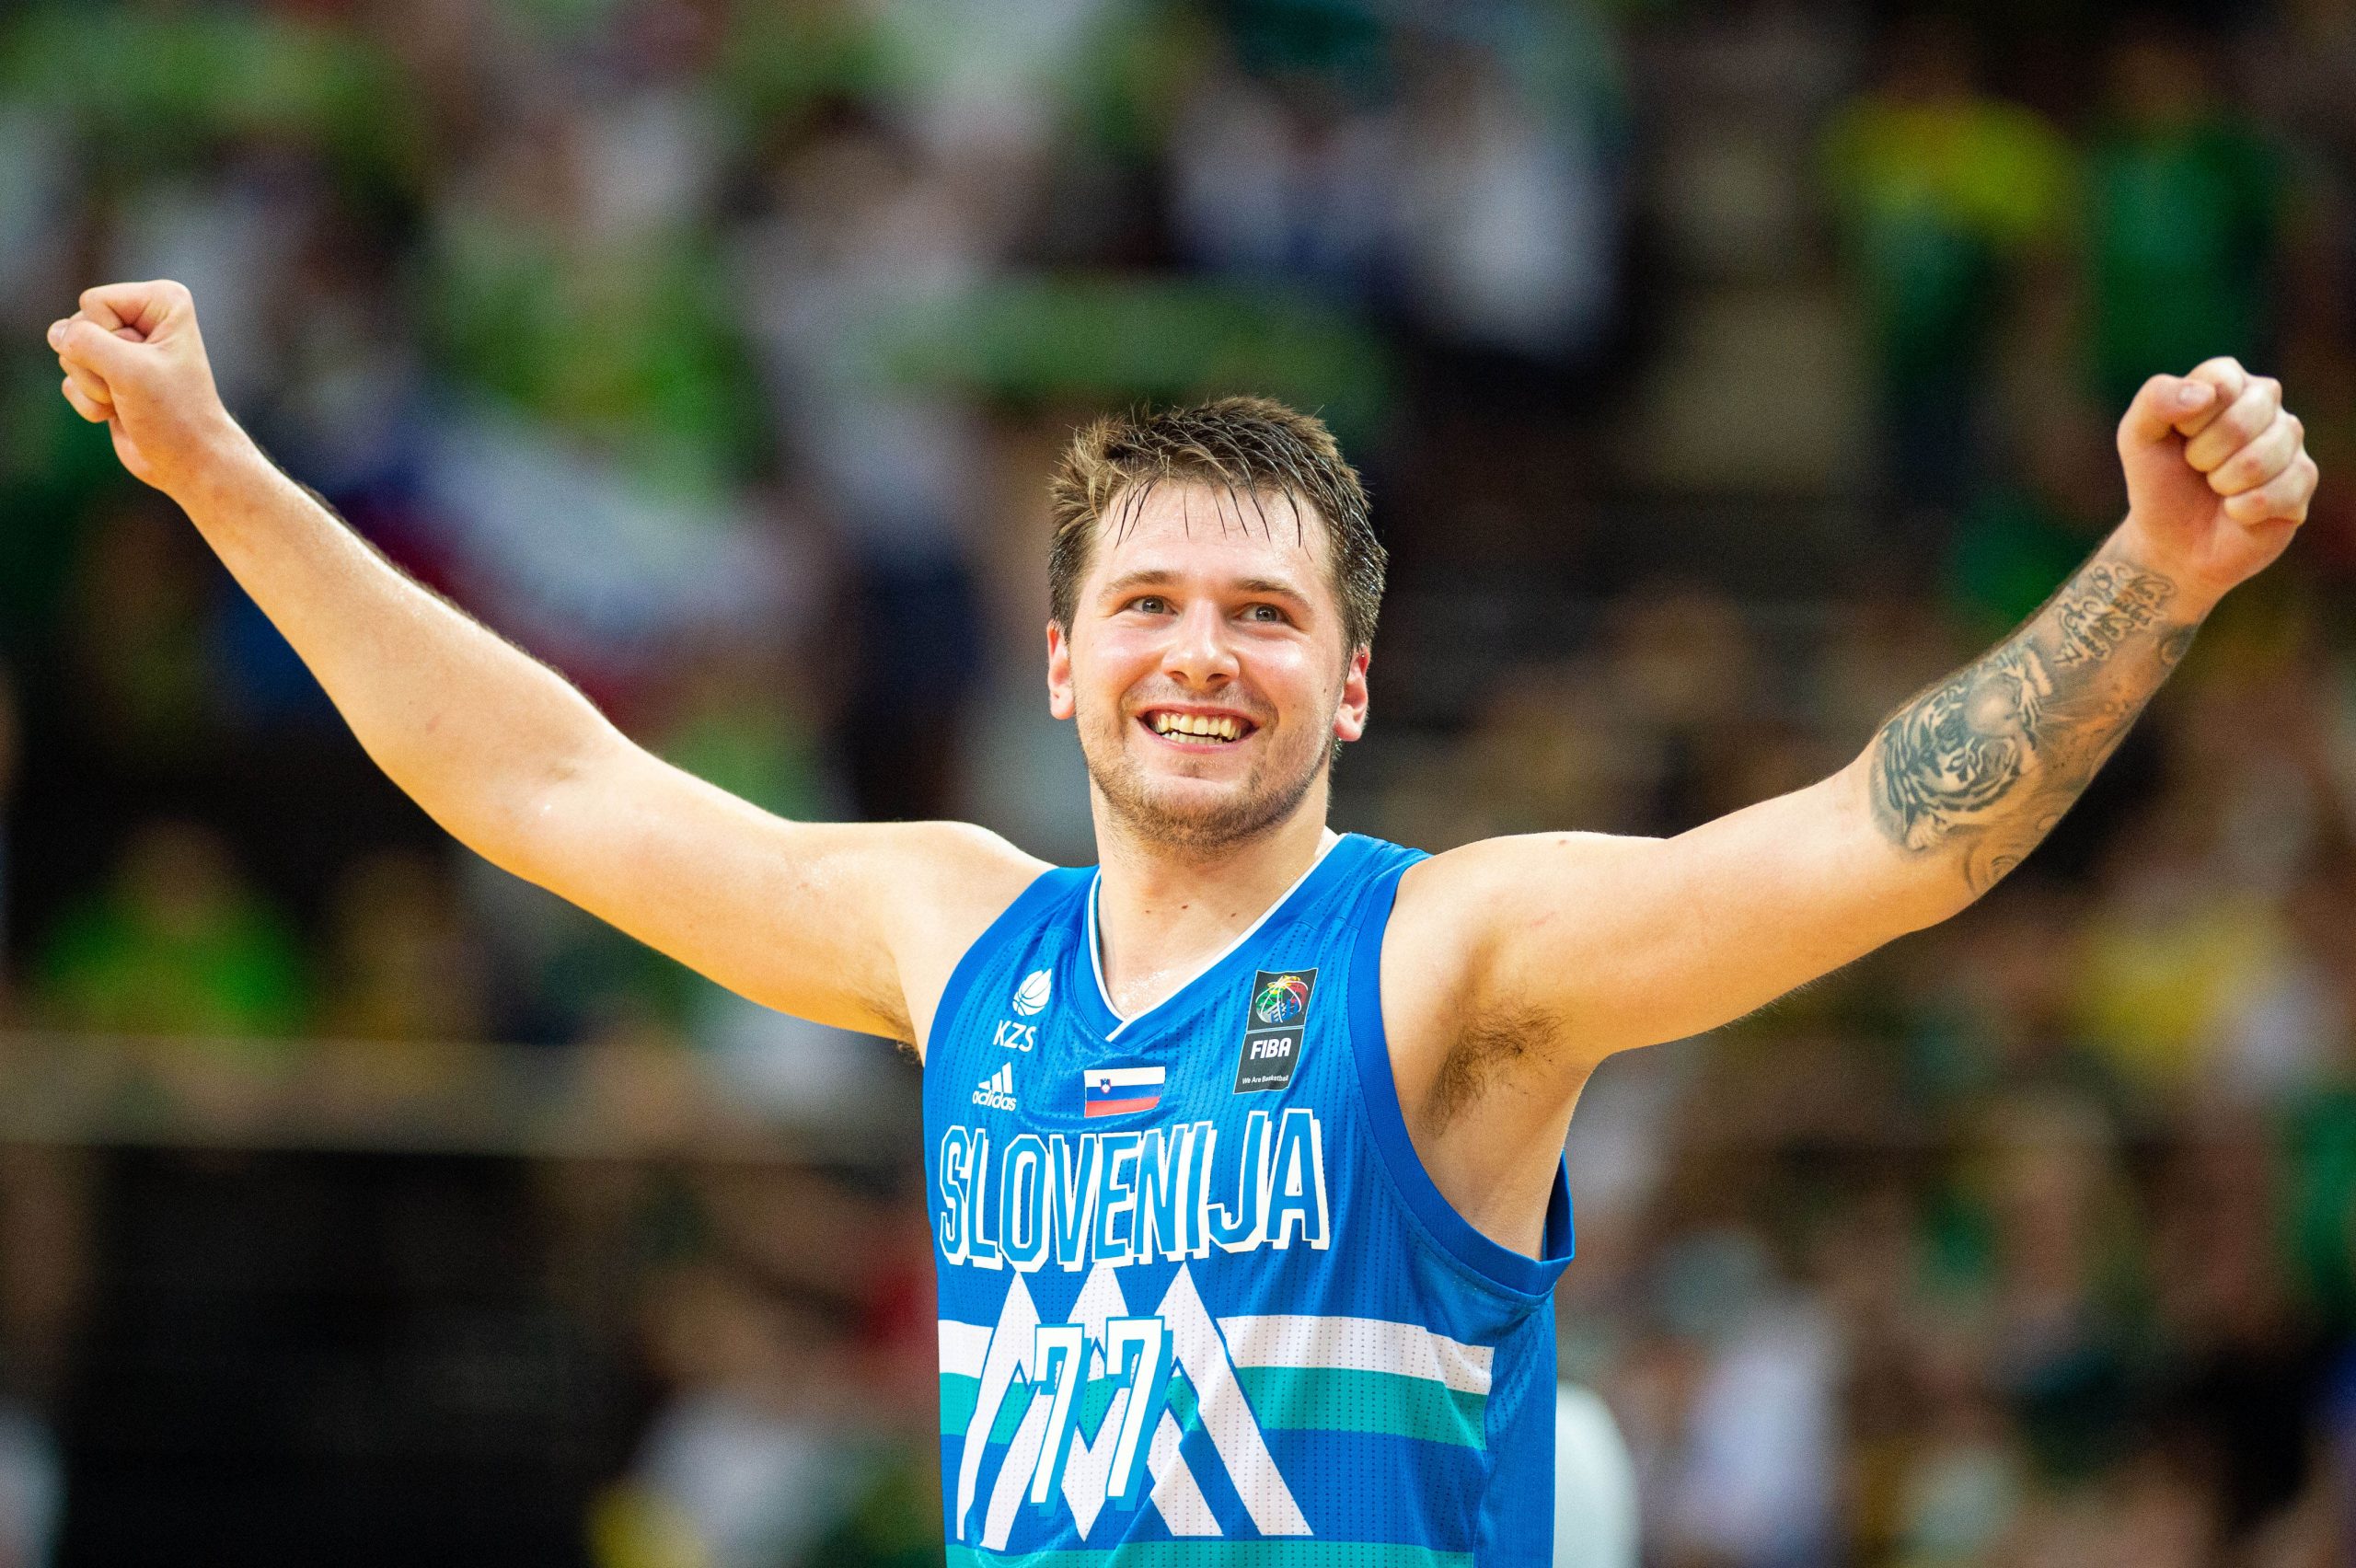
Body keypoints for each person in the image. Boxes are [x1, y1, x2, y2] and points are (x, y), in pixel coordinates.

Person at [41, 280, 2316, 1562]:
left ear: (1348, 677)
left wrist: (2154, 577)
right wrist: (222, 477)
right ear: (1058, 664)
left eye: (1257, 610)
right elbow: (543, 781)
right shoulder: (957, 937)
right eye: (1143, 604)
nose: (1194, 652)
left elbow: (1875, 843)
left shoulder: (1448, 961)